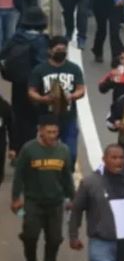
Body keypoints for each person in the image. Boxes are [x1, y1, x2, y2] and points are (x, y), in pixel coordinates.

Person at [10, 115, 74, 261]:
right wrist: (16, 198)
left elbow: (67, 178)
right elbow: (19, 176)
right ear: (40, 131)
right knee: (30, 236)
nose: (52, 135)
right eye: (49, 132)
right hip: (33, 203)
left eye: (55, 132)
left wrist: (72, 198)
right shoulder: (29, 149)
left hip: (55, 204)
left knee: (54, 240)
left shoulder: (64, 151)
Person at [28, 36, 86, 167]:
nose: (61, 52)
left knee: (70, 153)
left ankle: (67, 174)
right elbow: (31, 91)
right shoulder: (40, 69)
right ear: (50, 51)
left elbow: (81, 89)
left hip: (68, 117)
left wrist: (71, 96)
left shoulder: (74, 68)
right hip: (47, 117)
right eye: (58, 50)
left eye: (63, 50)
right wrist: (43, 99)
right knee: (46, 153)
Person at [1, 5, 47, 152]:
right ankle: (31, 148)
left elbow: (2, 53)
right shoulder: (41, 40)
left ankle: (18, 148)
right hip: (34, 85)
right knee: (33, 118)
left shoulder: (17, 37)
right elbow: (42, 64)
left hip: (17, 82)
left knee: (18, 115)